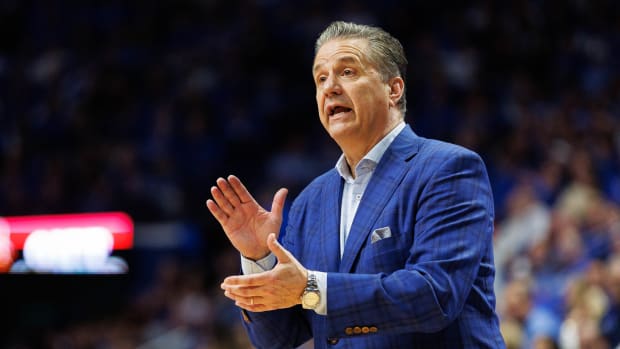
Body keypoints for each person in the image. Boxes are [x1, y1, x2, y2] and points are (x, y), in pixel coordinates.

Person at [207, 21, 506, 348]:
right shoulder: (312, 201)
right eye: (321, 78)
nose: (330, 87)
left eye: (347, 72)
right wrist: (260, 257)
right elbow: (280, 338)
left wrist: (311, 288)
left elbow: (435, 294)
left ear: (393, 89)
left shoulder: (447, 169)